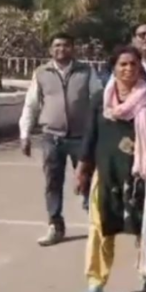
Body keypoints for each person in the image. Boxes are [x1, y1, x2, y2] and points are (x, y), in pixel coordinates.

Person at [72, 46, 146, 292]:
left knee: (144, 225)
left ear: (140, 68)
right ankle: (95, 285)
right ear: (114, 68)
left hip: (140, 174)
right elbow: (90, 134)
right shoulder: (101, 99)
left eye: (133, 64)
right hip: (106, 173)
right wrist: (82, 169)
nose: (128, 69)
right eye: (123, 64)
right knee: (100, 228)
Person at [19, 33, 103, 246]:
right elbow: (31, 104)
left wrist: (100, 131)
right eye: (57, 45)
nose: (61, 49)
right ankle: (55, 226)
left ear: (73, 48)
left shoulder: (86, 71)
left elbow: (98, 100)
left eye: (66, 45)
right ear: (50, 50)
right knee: (53, 183)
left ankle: (96, 223)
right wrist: (25, 134)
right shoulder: (41, 73)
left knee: (87, 181)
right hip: (52, 138)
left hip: (81, 138)